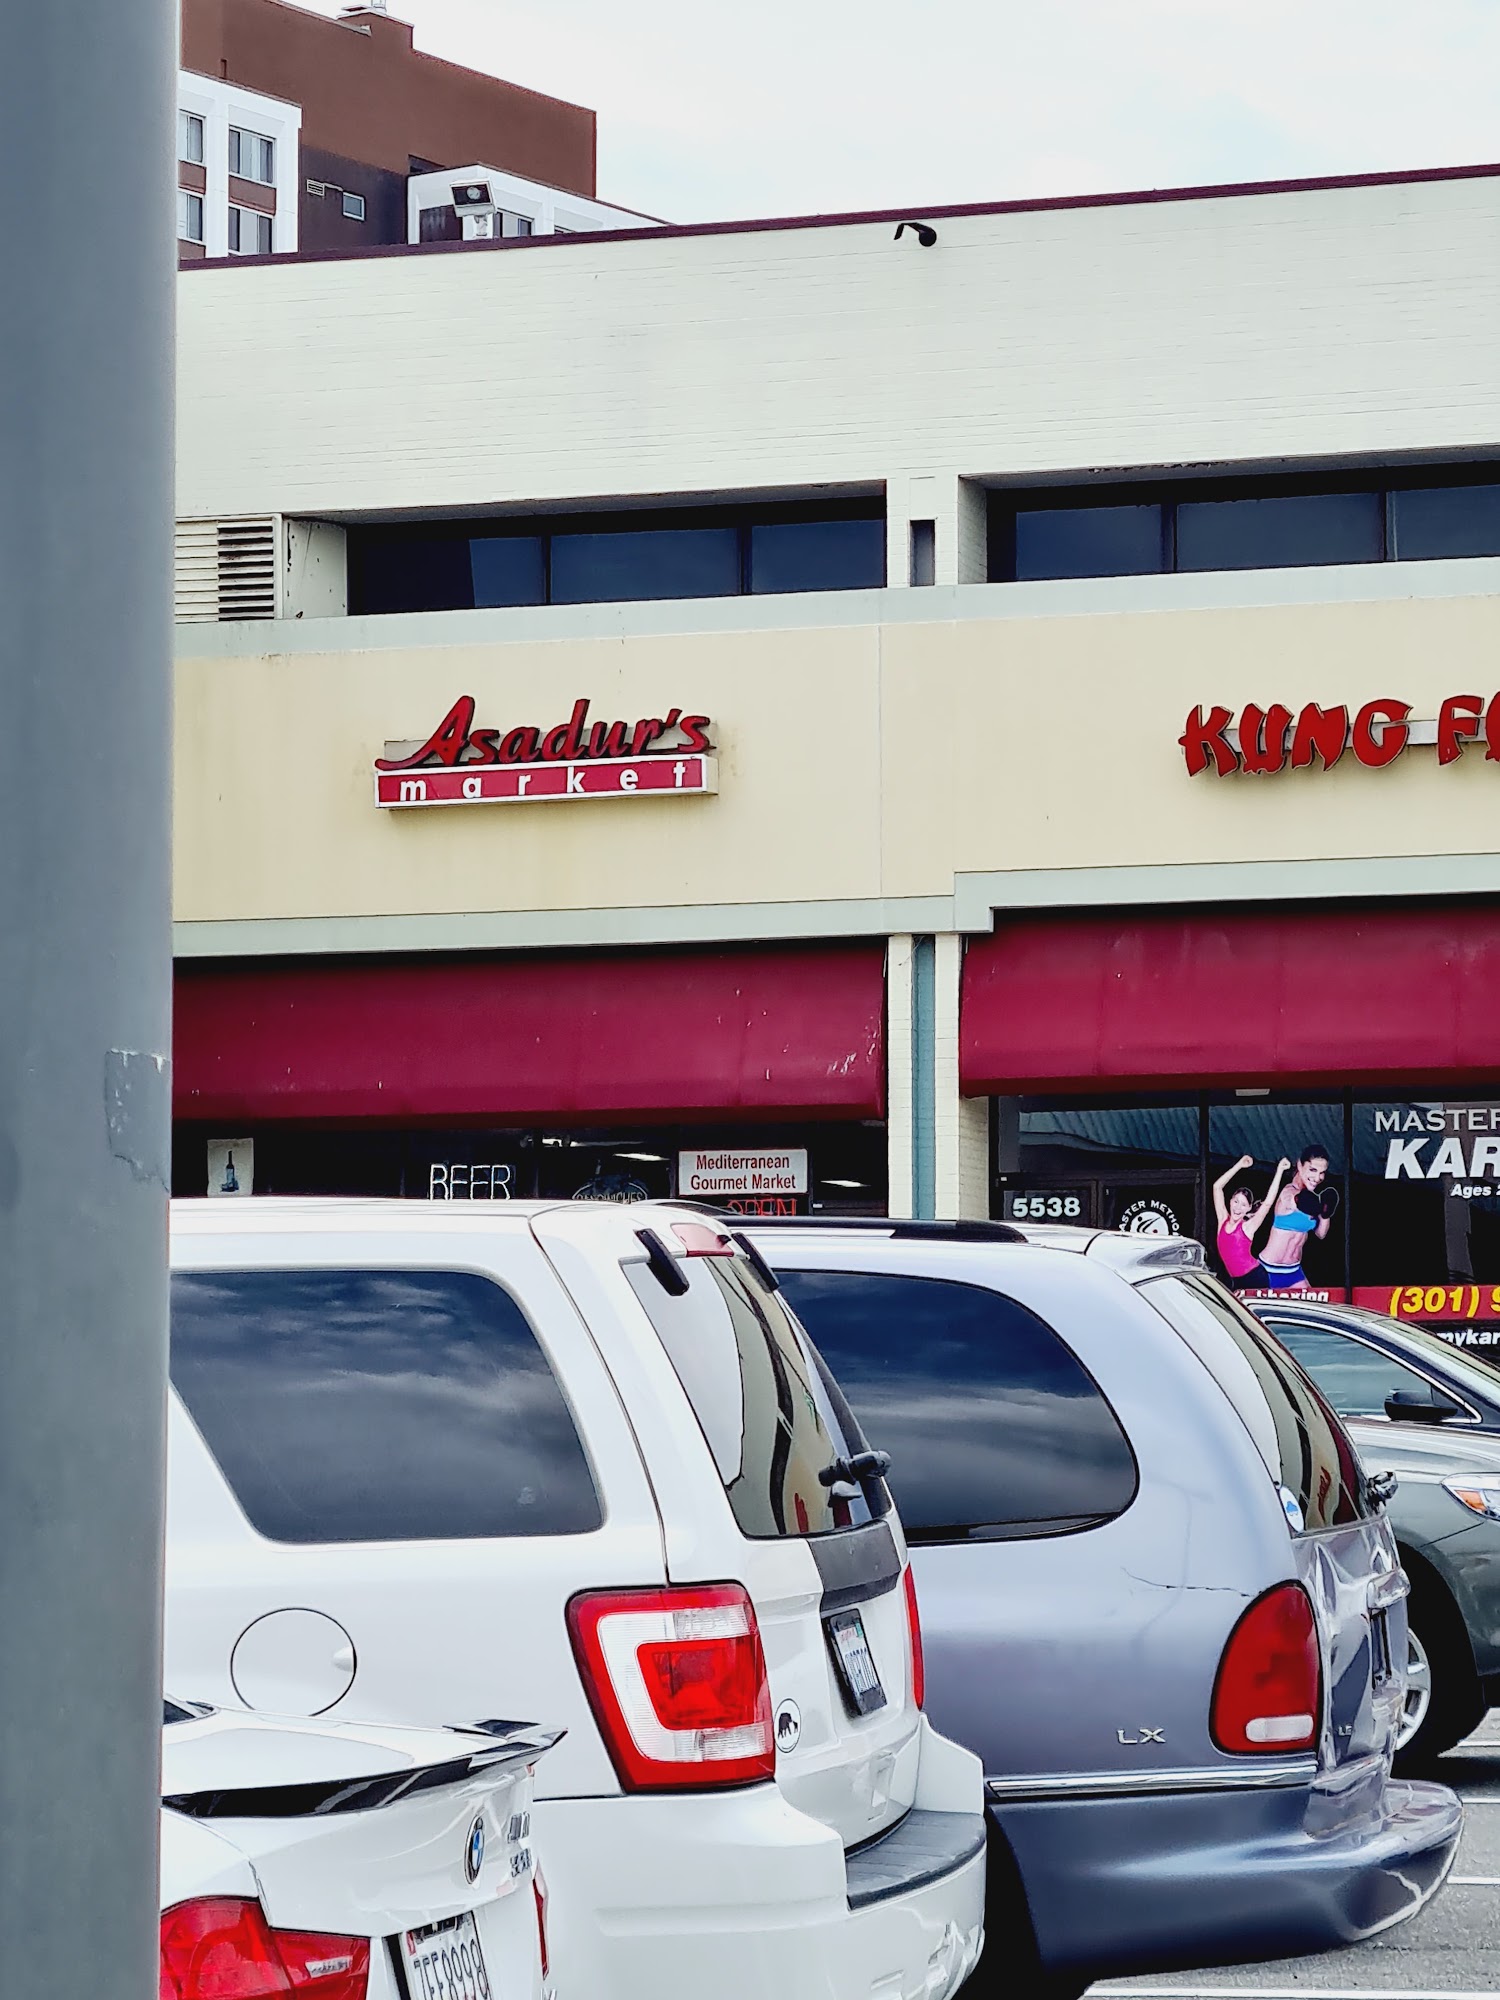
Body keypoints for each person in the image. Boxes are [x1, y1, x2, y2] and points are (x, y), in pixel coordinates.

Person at [1259, 1144, 1340, 1293]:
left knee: (1314, 1308)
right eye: (1313, 1170)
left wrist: (1326, 1213)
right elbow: (1296, 1201)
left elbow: (1321, 1234)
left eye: (1322, 1173)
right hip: (1268, 1270)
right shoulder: (1289, 1192)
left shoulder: (1315, 1199)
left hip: (1293, 1271)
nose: (1317, 1178)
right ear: (1299, 1165)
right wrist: (1319, 1207)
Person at [1212, 1153, 1289, 1292]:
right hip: (1236, 1281)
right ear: (1230, 1201)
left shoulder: (1247, 1227)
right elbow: (1217, 1187)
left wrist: (1279, 1171)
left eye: (1243, 1205)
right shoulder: (1222, 1220)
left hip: (1254, 1278)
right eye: (1236, 1202)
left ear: (1248, 1209)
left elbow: (1267, 1203)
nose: (1237, 1207)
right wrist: (1239, 1165)